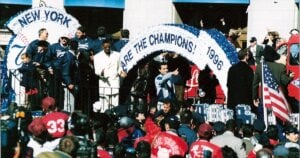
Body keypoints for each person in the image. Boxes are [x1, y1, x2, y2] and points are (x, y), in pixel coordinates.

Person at [252, 46, 294, 118]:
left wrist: (254, 97)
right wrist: (290, 77)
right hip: (278, 96)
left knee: (265, 118)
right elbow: (284, 81)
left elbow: (255, 84)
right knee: (278, 120)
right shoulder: (281, 67)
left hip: (265, 97)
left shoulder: (259, 67)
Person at [93, 38, 127, 112]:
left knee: (115, 105)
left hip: (114, 83)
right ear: (102, 47)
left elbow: (119, 67)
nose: (107, 48)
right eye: (106, 47)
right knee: (104, 106)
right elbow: (96, 71)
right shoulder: (97, 57)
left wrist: (121, 73)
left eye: (109, 47)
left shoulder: (117, 55)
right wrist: (101, 73)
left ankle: (114, 119)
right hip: (104, 83)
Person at [44, 36, 70, 109]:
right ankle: (53, 107)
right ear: (60, 38)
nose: (64, 40)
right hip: (55, 71)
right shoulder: (54, 47)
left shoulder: (69, 47)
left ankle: (62, 108)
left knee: (63, 91)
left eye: (66, 38)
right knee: (54, 91)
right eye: (63, 38)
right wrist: (49, 67)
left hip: (67, 72)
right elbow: (47, 58)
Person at [227, 48, 254, 113]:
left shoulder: (232, 68)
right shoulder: (248, 70)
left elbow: (228, 84)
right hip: (244, 101)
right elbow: (251, 86)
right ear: (246, 56)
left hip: (232, 100)